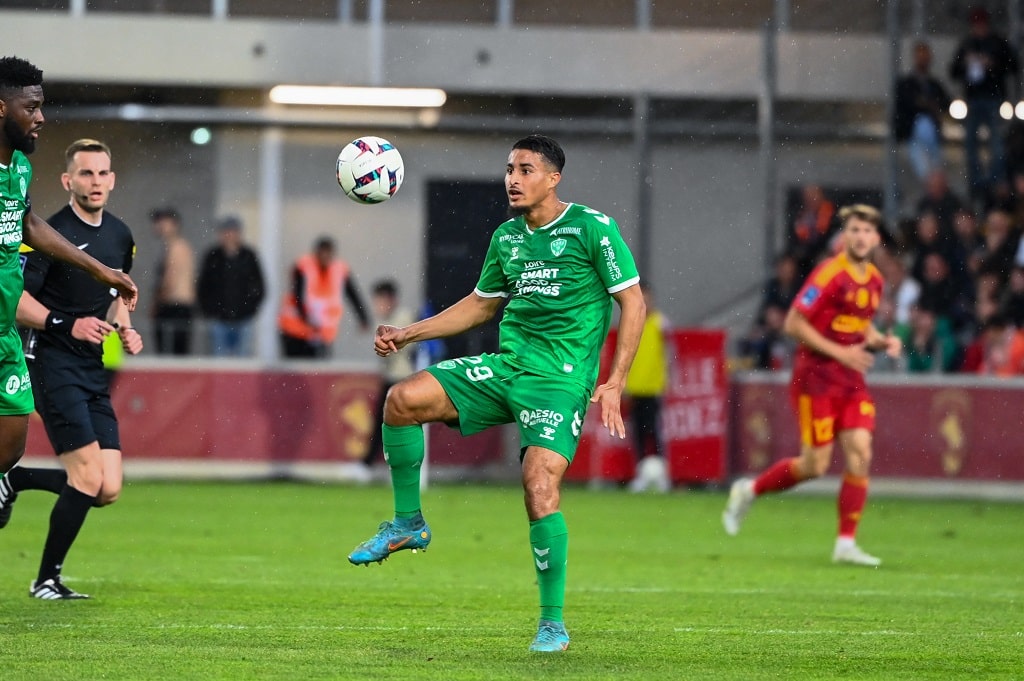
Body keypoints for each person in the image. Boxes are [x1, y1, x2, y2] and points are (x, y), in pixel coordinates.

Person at [346, 135, 645, 653]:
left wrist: (615, 381)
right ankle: (407, 523)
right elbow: (481, 306)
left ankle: (552, 623)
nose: (513, 178)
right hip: (506, 367)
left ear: (554, 178)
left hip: (559, 379)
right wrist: (407, 332)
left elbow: (633, 303)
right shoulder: (507, 237)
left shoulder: (592, 228)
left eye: (526, 169)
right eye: (509, 169)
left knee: (538, 487)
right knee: (401, 402)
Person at [0, 59, 138, 592]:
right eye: (31, 106)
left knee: (24, 455)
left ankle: (13, 480)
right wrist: (64, 322)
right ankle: (46, 580)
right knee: (88, 478)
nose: (40, 116)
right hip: (49, 356)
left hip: (36, 353)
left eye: (104, 171)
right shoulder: (56, 219)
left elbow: (27, 224)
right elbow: (31, 290)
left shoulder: (17, 169)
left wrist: (114, 295)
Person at [722, 204, 902, 567]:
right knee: (815, 466)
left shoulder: (876, 280)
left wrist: (881, 341)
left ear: (877, 238)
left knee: (861, 452)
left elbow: (859, 323)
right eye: (854, 230)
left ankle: (846, 543)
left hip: (851, 379)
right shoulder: (828, 274)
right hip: (816, 379)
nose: (861, 237)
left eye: (867, 231)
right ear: (844, 236)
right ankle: (749, 490)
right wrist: (842, 352)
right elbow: (793, 323)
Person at [949, 7, 1021, 202]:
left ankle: (995, 180)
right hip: (973, 99)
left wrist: (993, 63)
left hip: (993, 98)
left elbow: (1012, 65)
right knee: (971, 145)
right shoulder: (967, 44)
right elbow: (954, 70)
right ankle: (977, 182)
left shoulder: (997, 43)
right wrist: (966, 63)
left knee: (997, 144)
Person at [278, 235, 370, 358]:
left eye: (328, 253)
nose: (325, 257)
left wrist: (363, 317)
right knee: (297, 369)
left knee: (318, 370)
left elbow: (353, 295)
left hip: (321, 332)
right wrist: (306, 319)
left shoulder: (340, 270)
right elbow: (297, 296)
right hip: (295, 330)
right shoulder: (303, 267)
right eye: (322, 253)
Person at [361, 279, 415, 469]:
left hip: (403, 379)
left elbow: (395, 349)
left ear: (390, 299)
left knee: (395, 424)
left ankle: (370, 464)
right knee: (384, 423)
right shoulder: (383, 320)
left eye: (380, 300)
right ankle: (371, 463)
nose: (378, 305)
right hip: (390, 378)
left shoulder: (403, 318)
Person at [196, 215, 265, 357]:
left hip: (243, 319)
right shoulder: (213, 256)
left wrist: (250, 309)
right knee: (218, 361)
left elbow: (259, 286)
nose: (229, 236)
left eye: (232, 231)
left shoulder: (249, 256)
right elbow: (203, 286)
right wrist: (210, 311)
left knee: (243, 361)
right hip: (219, 320)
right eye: (226, 232)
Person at [625, 283, 671, 493]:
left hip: (653, 388)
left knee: (656, 432)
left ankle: (662, 476)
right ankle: (642, 476)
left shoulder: (660, 324)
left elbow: (671, 354)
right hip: (635, 388)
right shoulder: (630, 321)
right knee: (638, 434)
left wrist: (669, 381)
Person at [894, 41, 952, 181]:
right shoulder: (906, 84)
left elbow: (946, 103)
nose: (923, 60)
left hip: (933, 134)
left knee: (935, 170)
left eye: (925, 57)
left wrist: (930, 105)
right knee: (925, 172)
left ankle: (934, 188)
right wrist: (925, 104)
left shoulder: (934, 85)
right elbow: (906, 103)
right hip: (913, 134)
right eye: (920, 57)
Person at [150, 206, 195, 355]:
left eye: (163, 222)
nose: (158, 226)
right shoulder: (170, 247)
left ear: (174, 224)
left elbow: (170, 280)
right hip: (174, 305)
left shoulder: (177, 247)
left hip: (175, 306)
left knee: (173, 354)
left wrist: (157, 302)